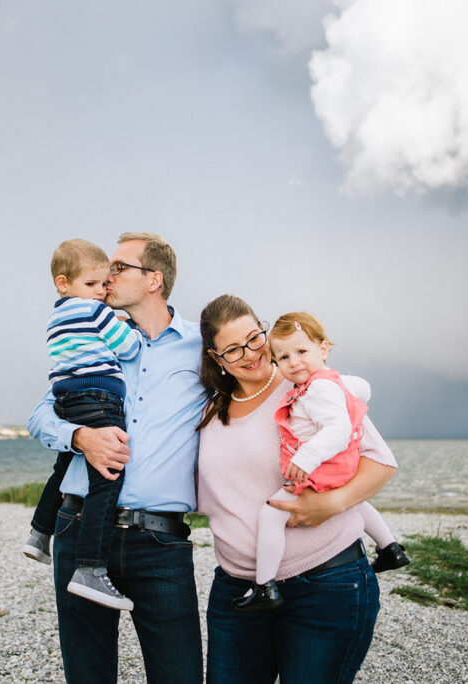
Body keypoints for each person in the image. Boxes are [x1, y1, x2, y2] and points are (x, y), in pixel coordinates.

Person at [27, 232, 208, 683]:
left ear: (154, 280)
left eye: (119, 268)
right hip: (79, 528)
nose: (107, 276)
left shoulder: (201, 347)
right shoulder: (92, 338)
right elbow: (40, 417)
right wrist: (80, 437)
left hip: (161, 543)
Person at [196, 294, 398, 684]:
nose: (250, 354)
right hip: (237, 591)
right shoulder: (210, 411)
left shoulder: (308, 386)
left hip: (324, 585)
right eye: (233, 349)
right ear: (216, 358)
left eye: (254, 339)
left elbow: (382, 462)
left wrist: (331, 504)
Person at [233, 311, 409, 612]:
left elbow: (338, 429)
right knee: (355, 504)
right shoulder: (331, 381)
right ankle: (390, 548)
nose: (294, 362)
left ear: (323, 349)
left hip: (322, 466)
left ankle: (265, 585)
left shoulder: (318, 389)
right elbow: (362, 388)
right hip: (342, 465)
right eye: (284, 357)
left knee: (271, 515)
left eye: (302, 351)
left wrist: (307, 457)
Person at [22, 239, 143, 611]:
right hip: (99, 397)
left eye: (104, 284)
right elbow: (129, 348)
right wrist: (129, 329)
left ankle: (39, 533)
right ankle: (90, 568)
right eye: (92, 284)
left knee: (64, 465)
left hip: (67, 398)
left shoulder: (56, 316)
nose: (101, 291)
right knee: (108, 475)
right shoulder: (95, 311)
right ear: (63, 283)